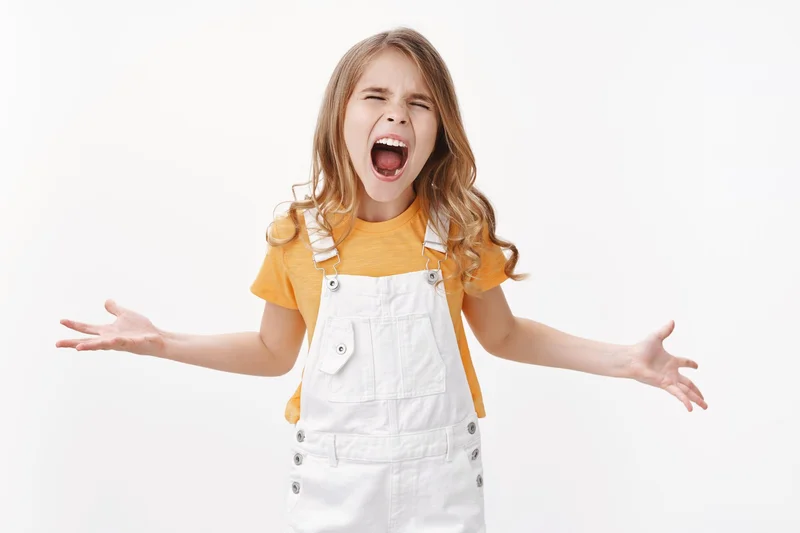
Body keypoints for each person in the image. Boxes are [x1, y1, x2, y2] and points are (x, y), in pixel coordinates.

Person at [56, 27, 707, 533]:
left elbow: (505, 335)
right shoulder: (298, 235)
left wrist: (625, 359)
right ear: (340, 116)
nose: (396, 115)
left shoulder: (457, 228)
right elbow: (272, 352)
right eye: (376, 97)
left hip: (442, 491)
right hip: (333, 491)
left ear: (437, 133)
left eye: (419, 104)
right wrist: (162, 342)